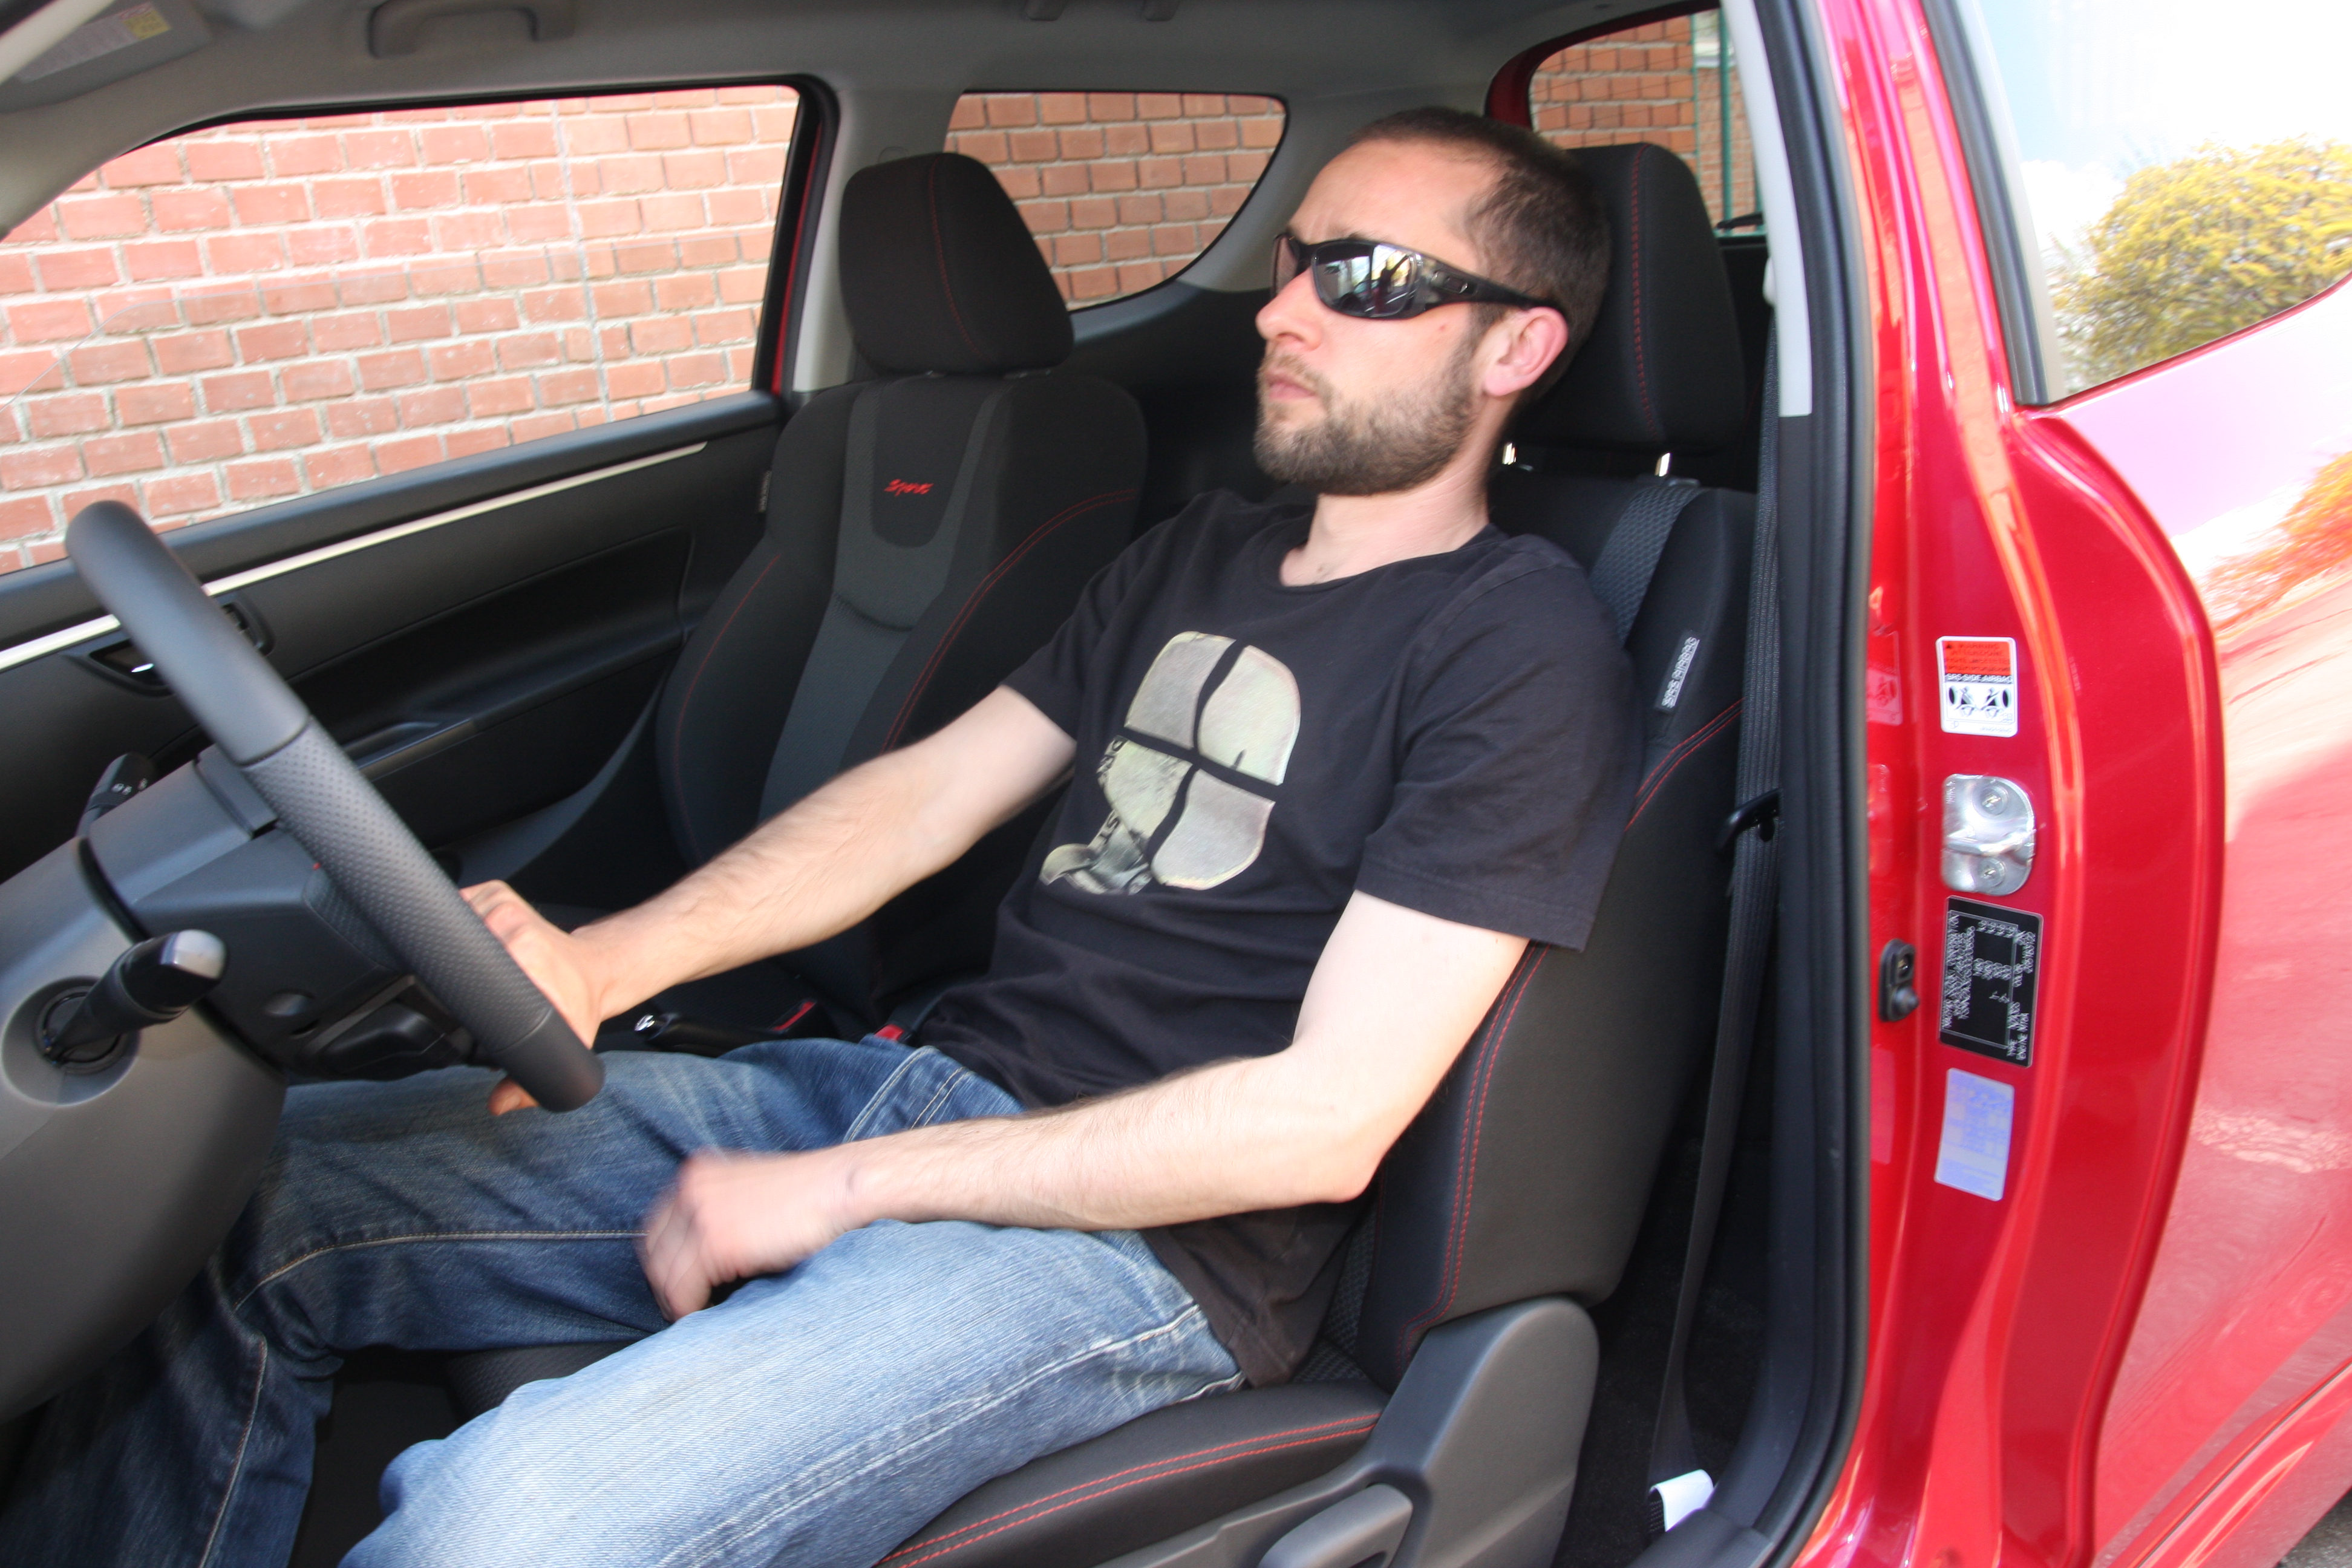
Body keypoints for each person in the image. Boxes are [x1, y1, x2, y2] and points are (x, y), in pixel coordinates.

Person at [0, 106, 1633, 1568]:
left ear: (1516, 348)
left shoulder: (1516, 645)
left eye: (1367, 279)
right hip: (913, 1088)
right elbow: (928, 794)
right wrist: (604, 960)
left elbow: (1322, 1124)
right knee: (228, 1204)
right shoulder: (1200, 553)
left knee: (509, 1527)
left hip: (1139, 1253)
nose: (1281, 310)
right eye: (1294, 260)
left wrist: (838, 1191)